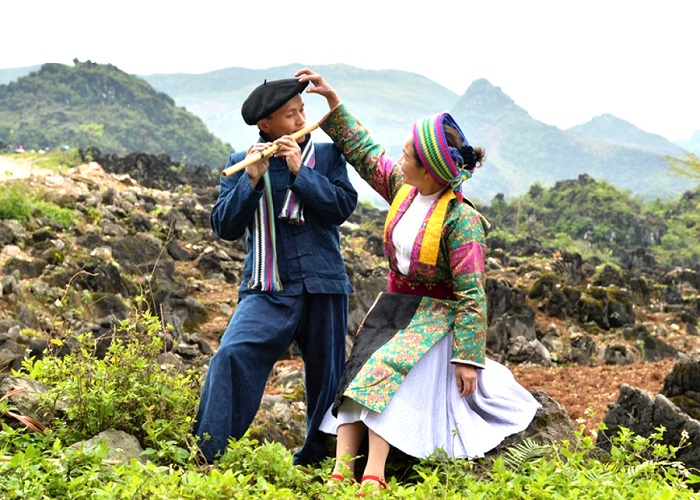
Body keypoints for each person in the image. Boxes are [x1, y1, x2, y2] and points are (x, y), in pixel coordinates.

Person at [295, 68, 541, 493]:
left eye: (407, 154)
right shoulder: (404, 189)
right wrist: (334, 105)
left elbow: (472, 293)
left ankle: (373, 473)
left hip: (435, 316)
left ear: (428, 171)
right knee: (357, 372)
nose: (399, 158)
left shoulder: (461, 221)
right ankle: (340, 470)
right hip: (393, 310)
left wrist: (468, 358)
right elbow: (366, 153)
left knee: (386, 371)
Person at [193, 77, 358, 467]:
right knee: (231, 354)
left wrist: (302, 172)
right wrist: (251, 180)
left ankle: (317, 460)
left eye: (302, 110)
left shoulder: (327, 157)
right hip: (267, 286)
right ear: (265, 125)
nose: (300, 119)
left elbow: (341, 207)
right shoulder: (241, 162)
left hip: (323, 282)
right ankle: (208, 454)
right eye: (290, 115)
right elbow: (224, 226)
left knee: (328, 377)